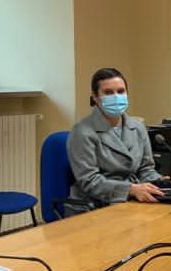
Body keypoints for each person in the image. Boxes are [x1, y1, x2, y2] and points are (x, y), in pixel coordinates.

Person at [66, 67, 163, 214]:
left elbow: (145, 169)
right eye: (108, 92)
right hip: (93, 206)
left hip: (132, 200)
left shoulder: (137, 126)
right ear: (95, 97)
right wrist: (131, 189)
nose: (116, 97)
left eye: (121, 91)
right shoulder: (82, 132)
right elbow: (90, 182)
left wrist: (160, 182)